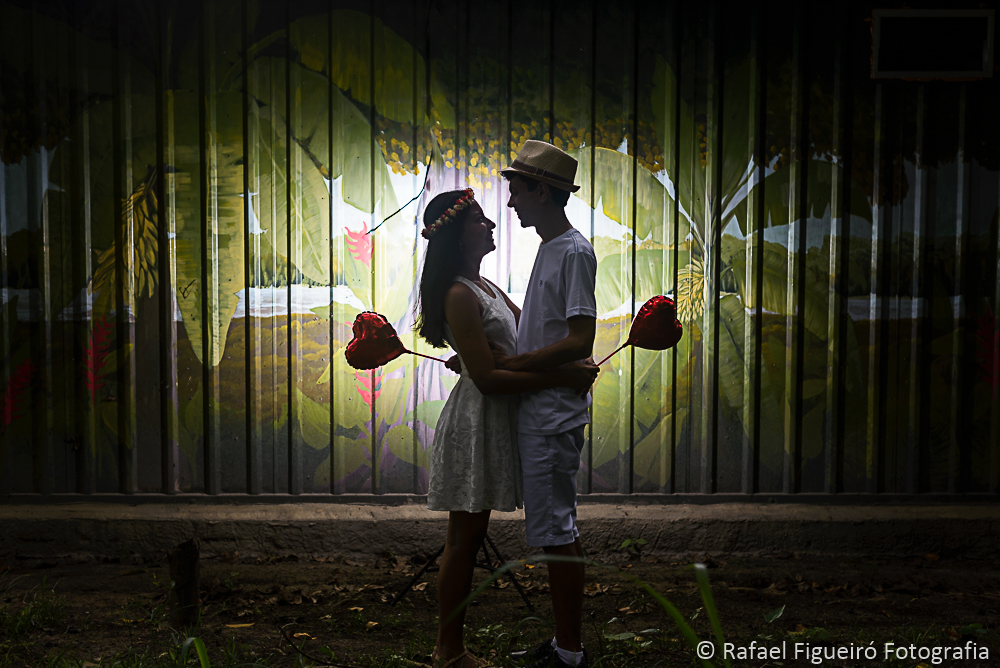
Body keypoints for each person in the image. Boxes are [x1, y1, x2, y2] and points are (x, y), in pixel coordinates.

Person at [416, 188, 599, 668]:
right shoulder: (459, 293)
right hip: (477, 422)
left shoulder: (486, 287)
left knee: (470, 537)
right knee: (465, 539)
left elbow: (524, 344)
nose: (491, 224)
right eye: (479, 219)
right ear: (457, 236)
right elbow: (490, 379)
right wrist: (563, 376)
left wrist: (562, 360)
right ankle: (449, 650)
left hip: (500, 418)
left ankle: (452, 647)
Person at [499, 140, 597, 668]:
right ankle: (565, 646)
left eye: (517, 188)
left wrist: (517, 364)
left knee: (557, 535)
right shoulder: (551, 246)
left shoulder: (573, 251)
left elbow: (580, 338)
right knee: (558, 530)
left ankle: (569, 653)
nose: (511, 200)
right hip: (544, 408)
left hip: (552, 414)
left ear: (542, 191)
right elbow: (547, 323)